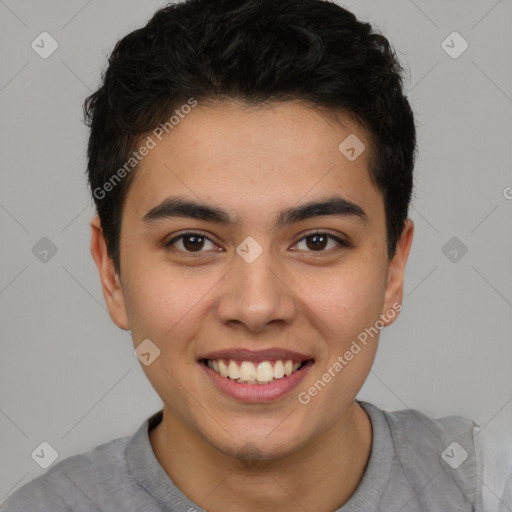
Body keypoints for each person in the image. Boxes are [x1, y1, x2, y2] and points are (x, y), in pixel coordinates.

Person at [1, 0, 510, 511]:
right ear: (111, 272)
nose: (257, 306)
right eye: (193, 242)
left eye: (317, 241)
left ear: (393, 272)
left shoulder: (487, 491)